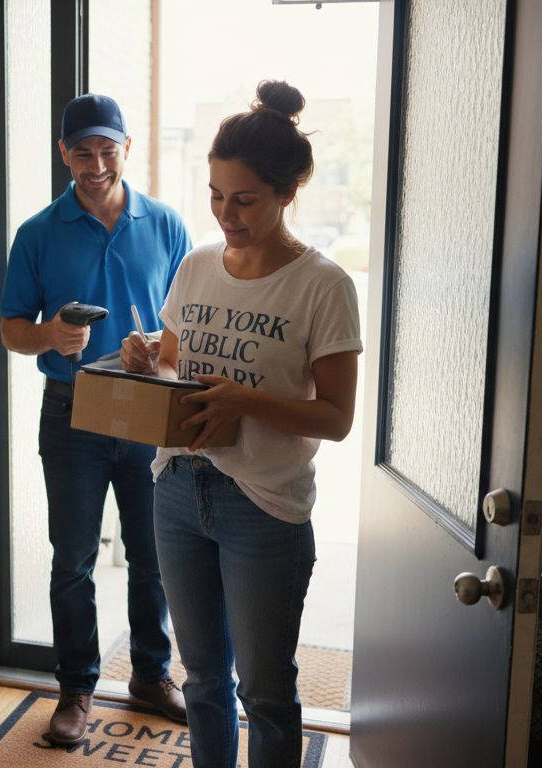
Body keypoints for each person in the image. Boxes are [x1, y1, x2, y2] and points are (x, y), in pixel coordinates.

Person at [120, 80, 362, 767]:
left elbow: (338, 419)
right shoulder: (196, 266)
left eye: (246, 200)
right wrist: (144, 361)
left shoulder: (323, 286)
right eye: (217, 196)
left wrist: (245, 400)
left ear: (287, 193)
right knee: (201, 681)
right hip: (175, 489)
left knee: (266, 691)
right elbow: (174, 371)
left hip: (262, 504)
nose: (228, 214)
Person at [0, 93, 193, 745]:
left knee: (154, 556)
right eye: (82, 151)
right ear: (65, 155)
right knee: (73, 561)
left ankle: (150, 674)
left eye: (108, 149)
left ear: (127, 150)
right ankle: (76, 689)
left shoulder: (166, 225)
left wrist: (158, 351)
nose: (96, 163)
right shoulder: (36, 233)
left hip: (146, 408)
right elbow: (10, 332)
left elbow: (190, 324)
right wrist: (49, 333)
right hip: (71, 412)